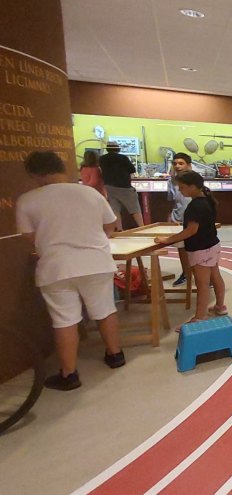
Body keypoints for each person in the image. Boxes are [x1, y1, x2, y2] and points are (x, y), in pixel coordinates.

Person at [16, 151, 126, 391]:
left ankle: (69, 373)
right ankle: (115, 354)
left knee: (64, 319)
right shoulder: (89, 193)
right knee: (105, 309)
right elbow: (110, 224)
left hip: (56, 267)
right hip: (96, 262)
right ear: (61, 167)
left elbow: (29, 237)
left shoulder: (27, 200)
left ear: (34, 175)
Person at [155, 171, 226, 326]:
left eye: (182, 187)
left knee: (202, 284)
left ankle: (200, 317)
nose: (179, 190)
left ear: (193, 187)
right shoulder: (207, 198)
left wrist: (168, 240)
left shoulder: (195, 206)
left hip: (200, 248)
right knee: (215, 276)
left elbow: (191, 230)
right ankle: (220, 306)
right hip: (212, 244)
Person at [99, 141, 144, 229]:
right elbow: (132, 169)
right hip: (124, 187)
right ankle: (142, 227)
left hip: (109, 186)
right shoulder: (123, 158)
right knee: (134, 208)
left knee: (115, 209)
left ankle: (120, 229)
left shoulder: (102, 159)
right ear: (118, 149)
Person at [168, 153, 193, 287]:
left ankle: (208, 277)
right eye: (175, 163)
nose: (177, 166)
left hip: (193, 221)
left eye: (181, 163)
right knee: (182, 250)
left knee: (198, 250)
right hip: (178, 221)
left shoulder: (196, 181)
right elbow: (172, 202)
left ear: (188, 165)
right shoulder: (172, 181)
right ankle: (186, 273)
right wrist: (170, 217)